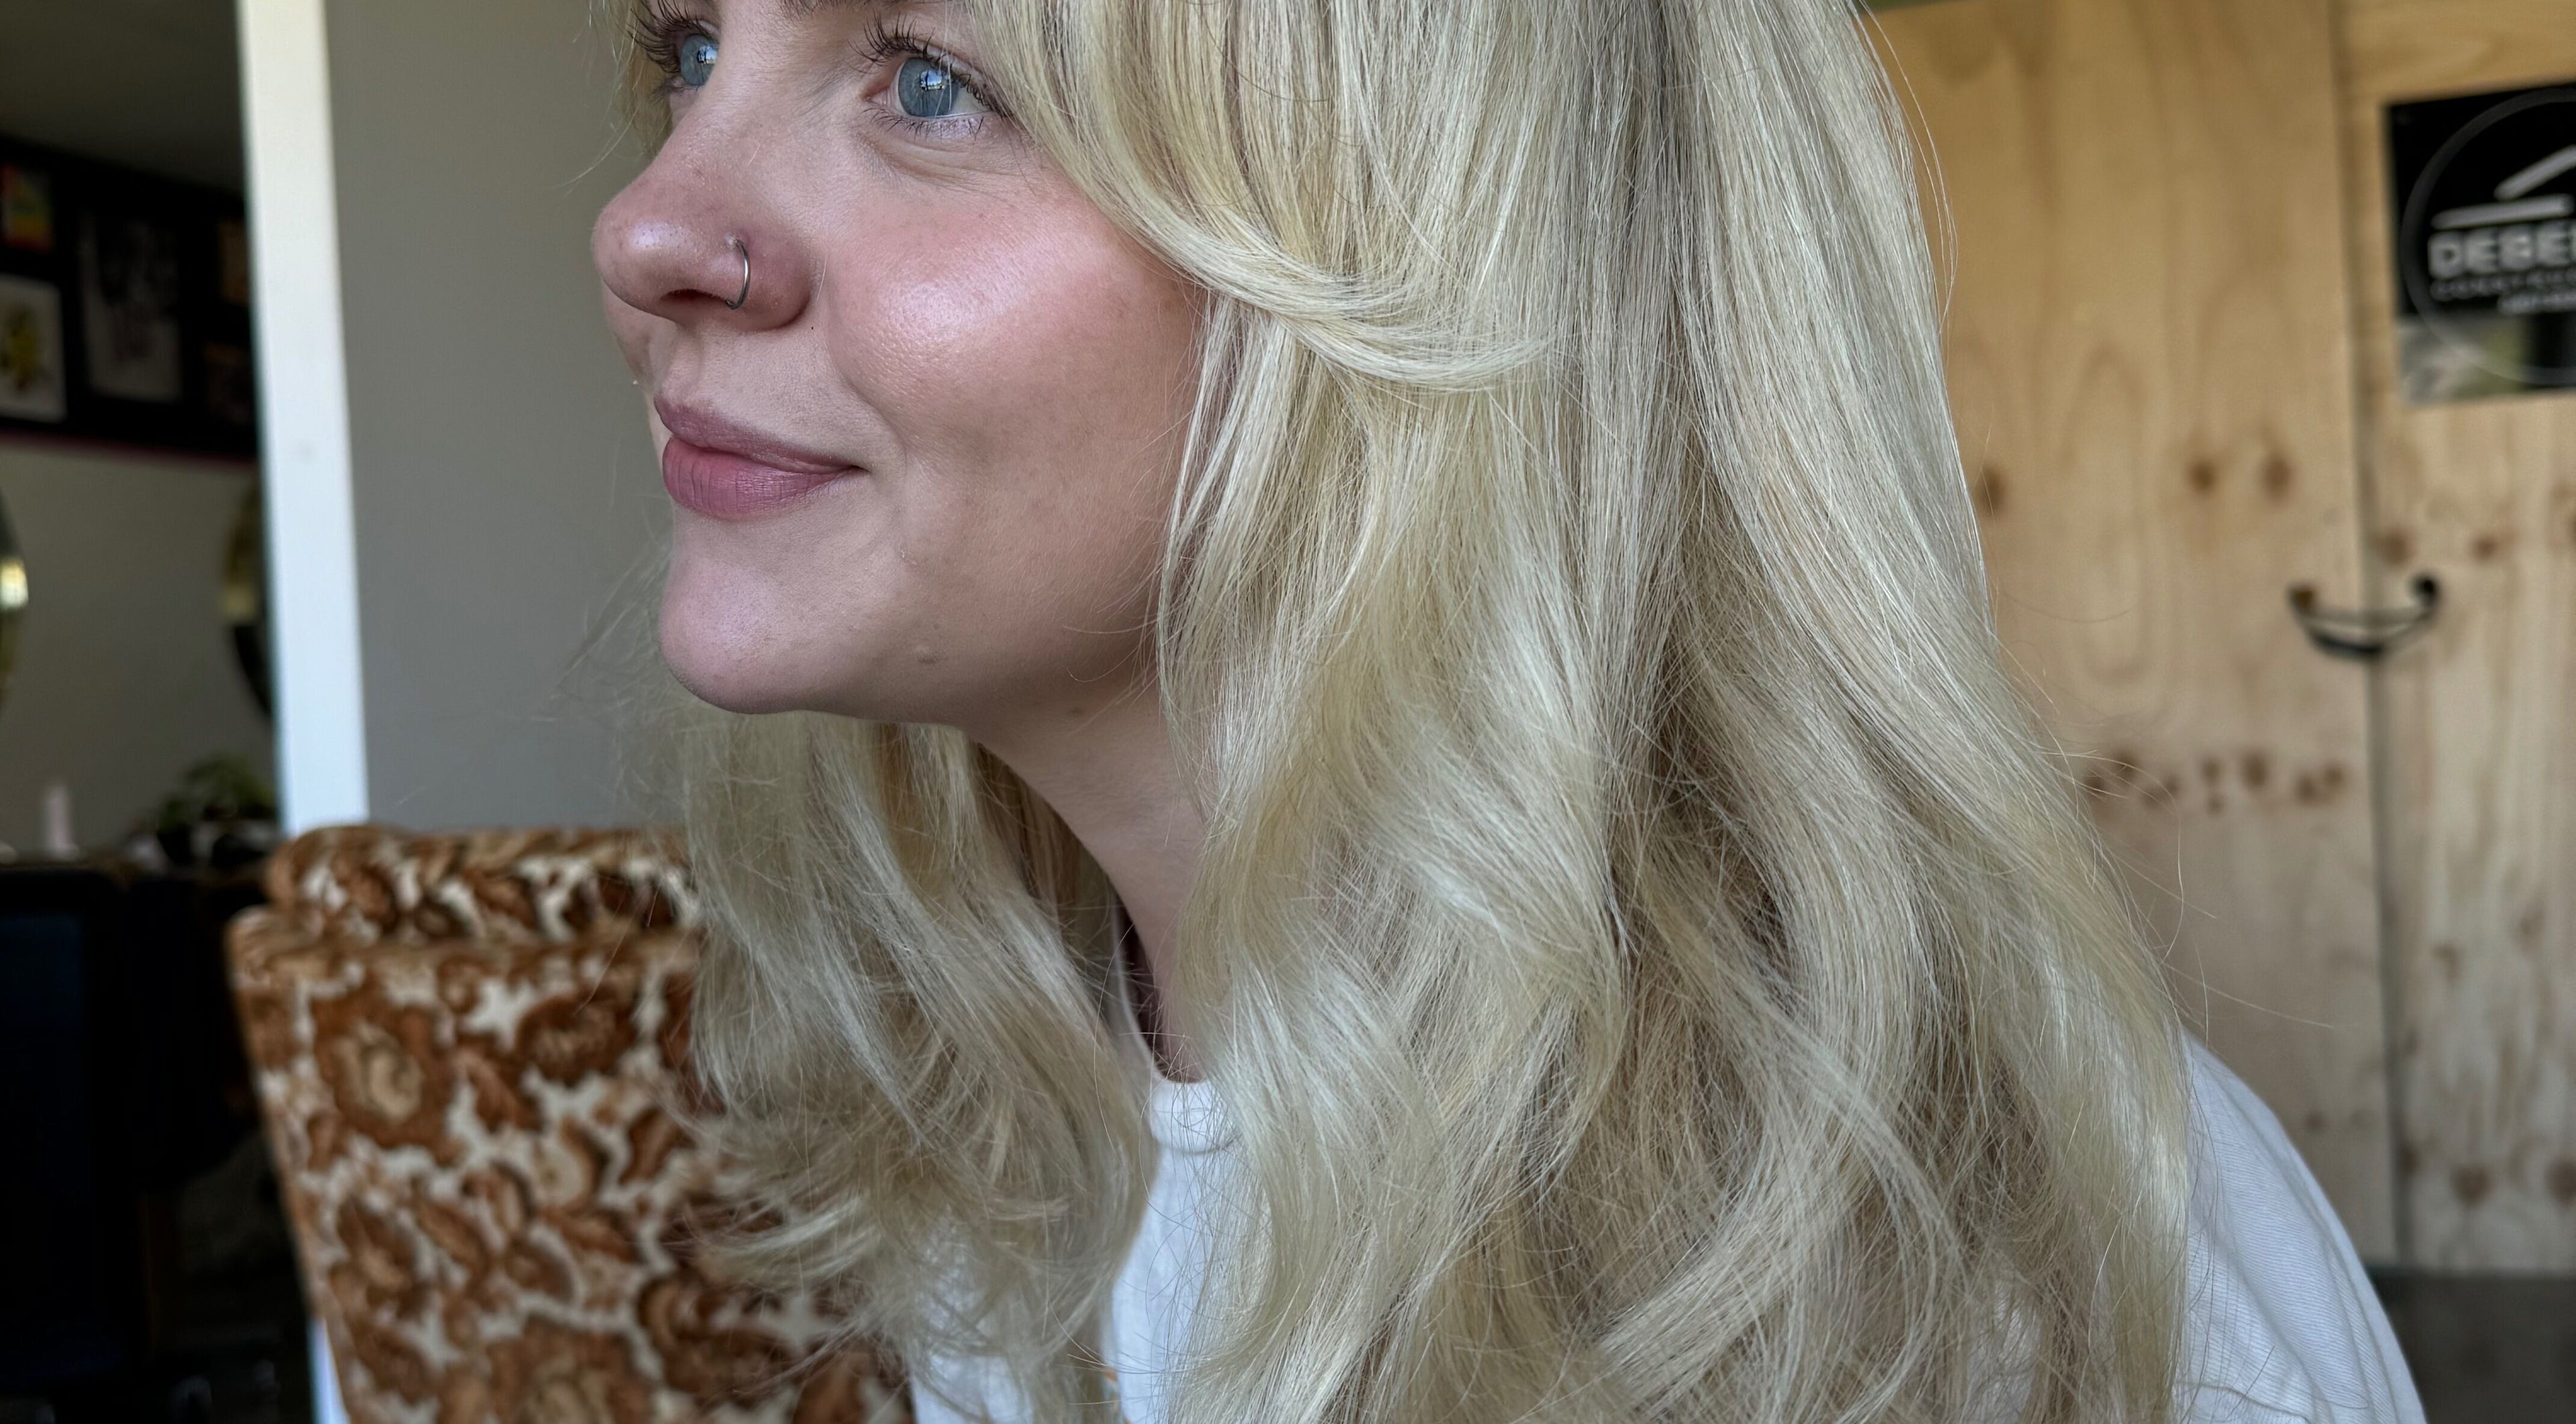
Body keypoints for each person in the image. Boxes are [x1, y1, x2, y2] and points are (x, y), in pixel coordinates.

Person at [590, 1, 2425, 1420]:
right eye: (688, 46)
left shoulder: (2038, 1285)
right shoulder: (1022, 1127)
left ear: (1451, 231)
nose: (648, 225)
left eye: (926, 78)